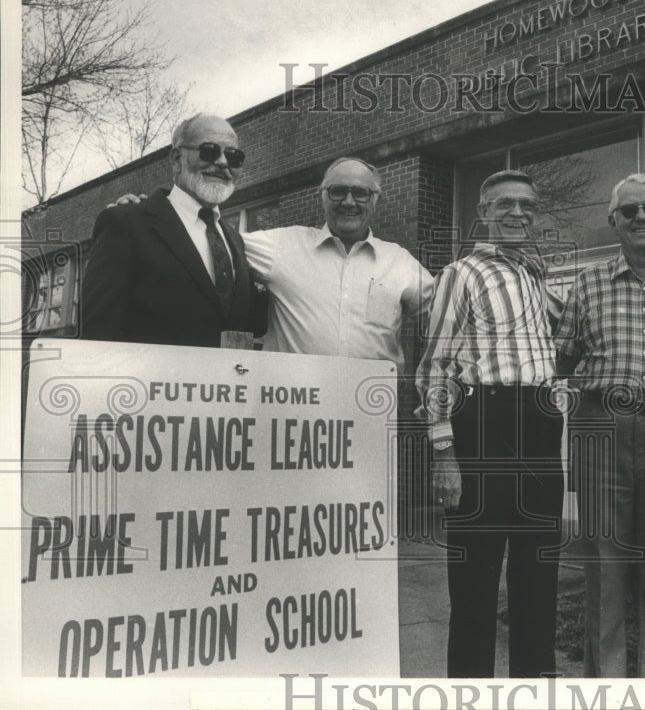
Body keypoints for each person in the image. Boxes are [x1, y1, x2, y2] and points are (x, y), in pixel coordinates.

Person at [553, 173, 645, 677]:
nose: (642, 217)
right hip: (601, 431)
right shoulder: (587, 283)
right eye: (630, 210)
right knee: (605, 569)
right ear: (612, 220)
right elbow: (560, 360)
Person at [415, 170, 564, 678]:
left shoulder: (536, 277)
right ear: (483, 213)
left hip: (541, 426)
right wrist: (443, 452)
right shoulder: (461, 273)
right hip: (482, 424)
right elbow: (434, 367)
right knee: (476, 586)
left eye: (527, 204)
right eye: (505, 204)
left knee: (538, 578)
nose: (518, 213)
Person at [81, 114, 258, 347]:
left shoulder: (235, 241)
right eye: (209, 151)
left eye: (234, 156)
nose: (224, 163)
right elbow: (98, 335)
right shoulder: (125, 223)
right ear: (176, 159)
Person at [241, 157, 432, 364]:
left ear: (375, 199)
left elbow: (449, 317)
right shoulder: (283, 246)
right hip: (299, 394)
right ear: (323, 197)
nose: (348, 202)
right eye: (338, 191)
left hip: (371, 394)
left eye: (360, 193)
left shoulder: (399, 262)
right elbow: (218, 244)